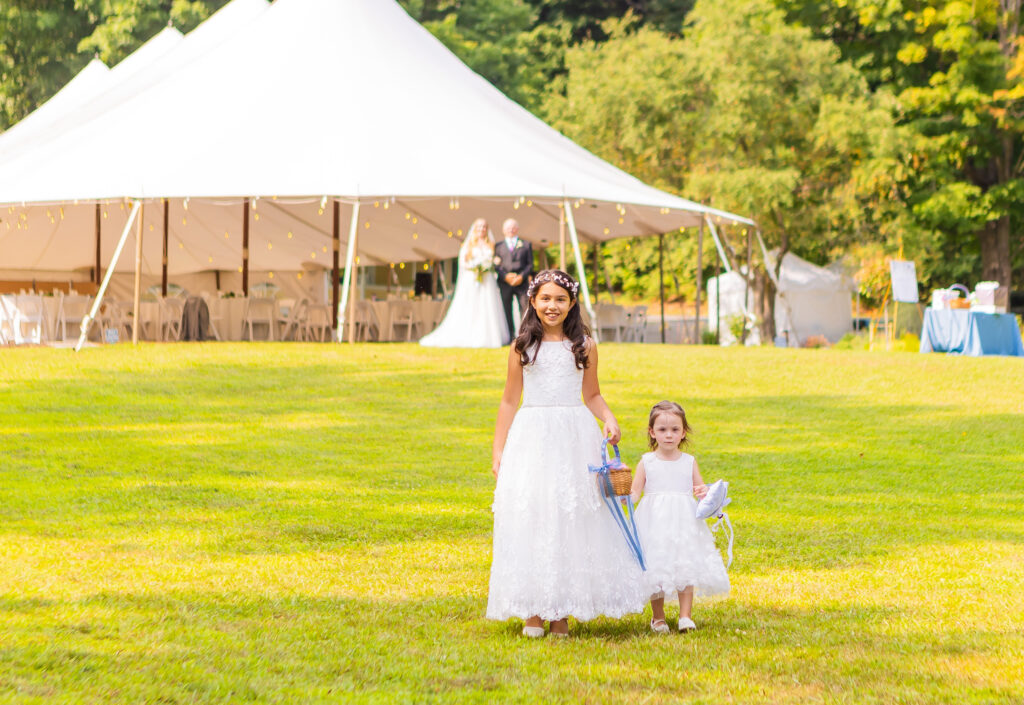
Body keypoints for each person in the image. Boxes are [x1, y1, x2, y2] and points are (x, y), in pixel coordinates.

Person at [486, 269, 647, 638]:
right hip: (534, 436)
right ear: (532, 301)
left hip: (573, 436)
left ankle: (562, 611)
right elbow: (510, 400)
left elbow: (591, 394)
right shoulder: (522, 346)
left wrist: (608, 417)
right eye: (545, 298)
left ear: (572, 303)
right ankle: (533, 610)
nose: (552, 305)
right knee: (536, 512)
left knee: (570, 515)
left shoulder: (584, 345)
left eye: (560, 299)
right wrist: (499, 450)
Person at [629, 401, 730, 633]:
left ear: (683, 432)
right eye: (662, 430)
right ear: (652, 432)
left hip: (683, 521)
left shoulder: (689, 461)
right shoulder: (647, 462)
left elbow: (699, 488)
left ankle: (685, 616)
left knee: (686, 563)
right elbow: (635, 492)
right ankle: (658, 617)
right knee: (656, 564)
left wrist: (704, 492)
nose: (669, 435)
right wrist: (624, 494)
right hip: (654, 521)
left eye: (675, 430)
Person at [419, 218, 508, 348]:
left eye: (484, 227)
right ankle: (470, 334)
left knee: (488, 306)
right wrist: (475, 266)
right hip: (472, 280)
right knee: (472, 306)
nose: (481, 229)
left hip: (487, 280)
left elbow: (495, 261)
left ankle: (490, 336)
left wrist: (488, 265)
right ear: (474, 229)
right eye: (479, 227)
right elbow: (463, 263)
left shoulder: (492, 245)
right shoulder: (468, 245)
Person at [493, 218, 533, 342]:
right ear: (503, 230)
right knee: (506, 309)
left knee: (525, 308)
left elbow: (530, 265)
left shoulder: (526, 245)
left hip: (522, 282)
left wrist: (521, 277)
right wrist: (505, 277)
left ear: (517, 229)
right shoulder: (498, 246)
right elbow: (496, 265)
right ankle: (510, 336)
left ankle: (524, 335)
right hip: (505, 283)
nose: (511, 229)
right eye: (508, 227)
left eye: (513, 227)